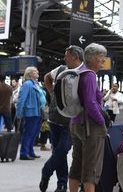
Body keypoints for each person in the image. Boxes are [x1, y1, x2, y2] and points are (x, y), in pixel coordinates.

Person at [40, 45, 84, 192]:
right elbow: (47, 77)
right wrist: (51, 92)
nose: (64, 58)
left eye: (67, 55)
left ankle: (46, 171)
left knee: (63, 149)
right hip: (54, 118)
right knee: (59, 152)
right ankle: (62, 184)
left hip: (71, 121)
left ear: (75, 56)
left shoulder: (83, 73)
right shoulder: (60, 69)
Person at [69, 43, 108, 192]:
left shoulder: (77, 72)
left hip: (75, 122)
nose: (103, 60)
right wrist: (102, 121)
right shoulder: (90, 75)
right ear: (91, 58)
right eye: (101, 57)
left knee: (76, 164)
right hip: (90, 126)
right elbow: (91, 103)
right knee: (91, 168)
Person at [16, 66, 45, 160]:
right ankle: (24, 153)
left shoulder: (36, 83)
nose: (37, 72)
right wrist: (19, 112)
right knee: (28, 133)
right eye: (35, 71)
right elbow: (21, 99)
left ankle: (30, 151)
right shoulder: (27, 84)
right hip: (30, 112)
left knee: (34, 133)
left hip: (38, 111)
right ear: (30, 74)